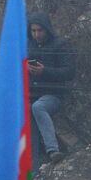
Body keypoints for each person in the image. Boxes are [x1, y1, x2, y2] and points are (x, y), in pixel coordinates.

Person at [27, 13, 74, 164]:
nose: (36, 34)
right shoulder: (28, 46)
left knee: (38, 107)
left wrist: (44, 70)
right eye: (33, 31)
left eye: (40, 30)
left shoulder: (60, 45)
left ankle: (52, 150)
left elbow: (69, 72)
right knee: (26, 115)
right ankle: (31, 166)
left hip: (54, 94)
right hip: (32, 93)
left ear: (47, 30)